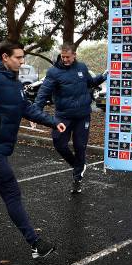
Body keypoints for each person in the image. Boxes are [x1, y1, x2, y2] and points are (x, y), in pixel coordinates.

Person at [0, 40, 66, 259]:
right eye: (18, 57)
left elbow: (24, 107)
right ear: (5, 57)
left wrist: (53, 122)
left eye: (22, 56)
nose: (22, 61)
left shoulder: (12, 80)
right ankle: (36, 244)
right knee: (11, 191)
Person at [34, 43, 107, 193]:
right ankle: (77, 165)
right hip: (63, 116)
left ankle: (77, 174)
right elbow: (43, 93)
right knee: (59, 144)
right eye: (63, 56)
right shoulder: (54, 72)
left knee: (80, 146)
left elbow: (91, 82)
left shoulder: (82, 67)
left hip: (82, 116)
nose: (65, 59)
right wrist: (35, 113)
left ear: (74, 55)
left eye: (68, 57)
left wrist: (103, 76)